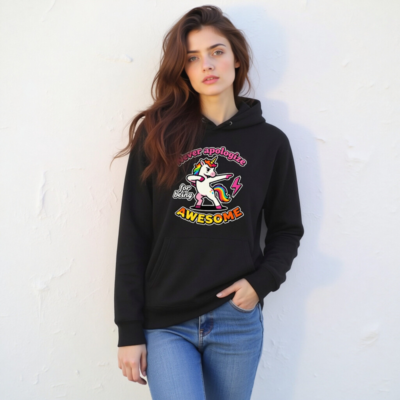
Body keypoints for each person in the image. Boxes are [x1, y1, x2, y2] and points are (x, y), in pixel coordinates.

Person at [112, 5, 304, 400]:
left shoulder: (270, 143)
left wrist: (260, 284)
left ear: (237, 57)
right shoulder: (158, 136)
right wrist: (129, 330)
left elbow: (287, 229)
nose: (207, 65)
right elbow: (134, 234)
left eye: (217, 51)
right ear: (183, 70)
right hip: (166, 323)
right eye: (193, 58)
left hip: (235, 319)